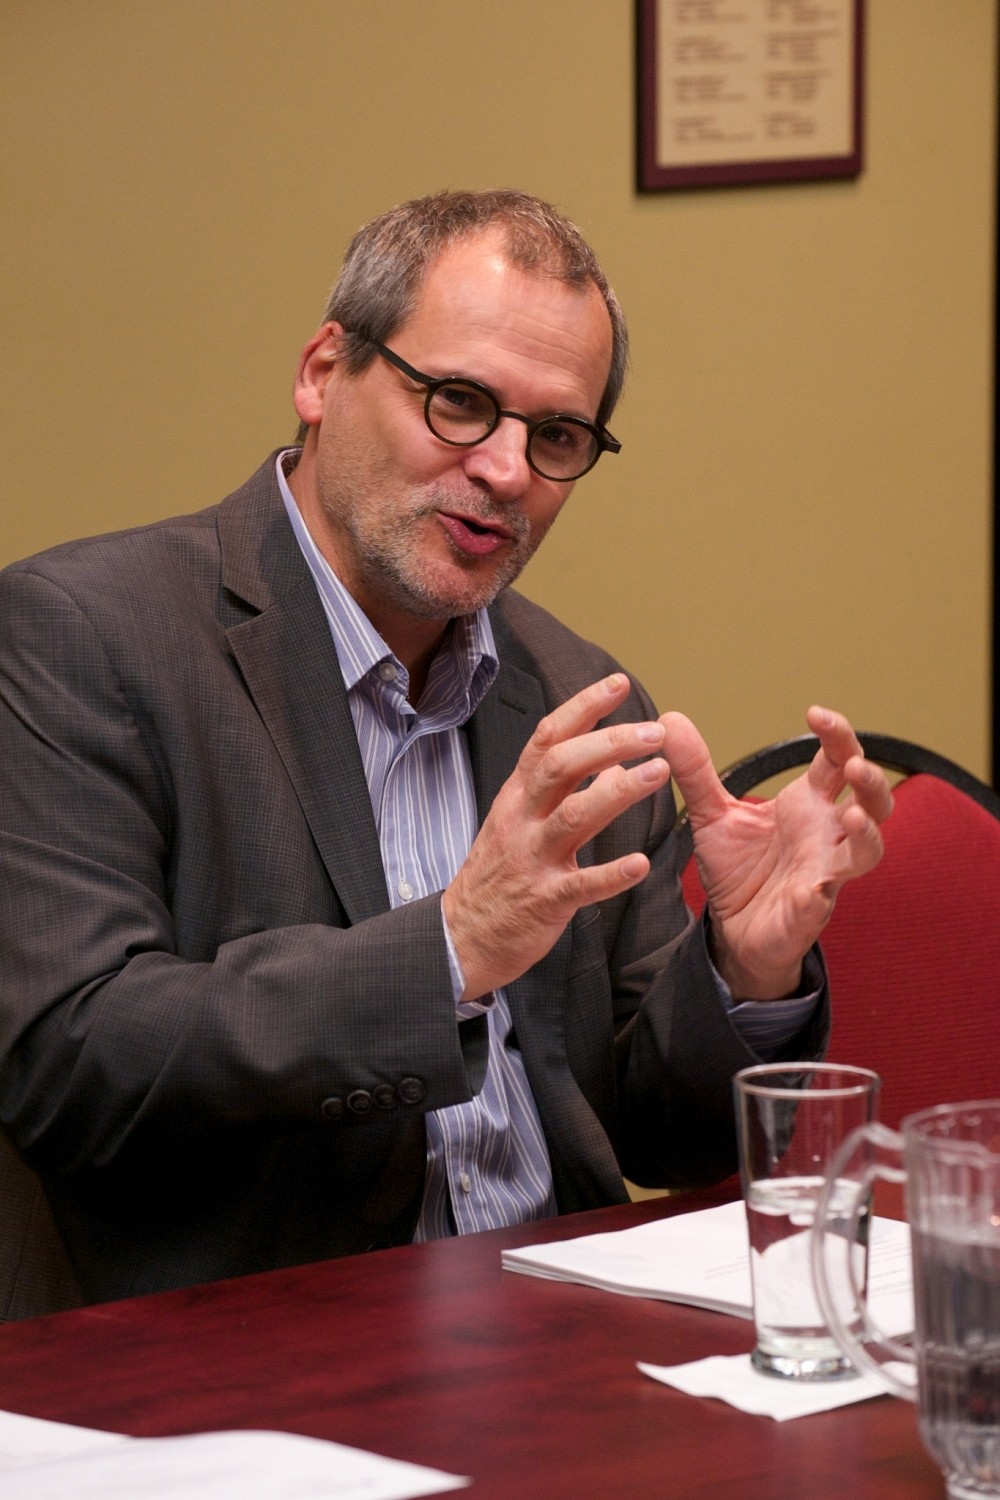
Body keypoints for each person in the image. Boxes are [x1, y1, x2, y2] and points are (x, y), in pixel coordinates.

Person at [0, 189, 891, 1319]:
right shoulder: (83, 634)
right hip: (262, 1342)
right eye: (460, 403)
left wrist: (743, 967)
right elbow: (70, 1064)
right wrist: (451, 952)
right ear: (324, 372)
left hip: (558, 1325)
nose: (508, 471)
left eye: (555, 436)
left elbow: (665, 1137)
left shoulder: (574, 690)